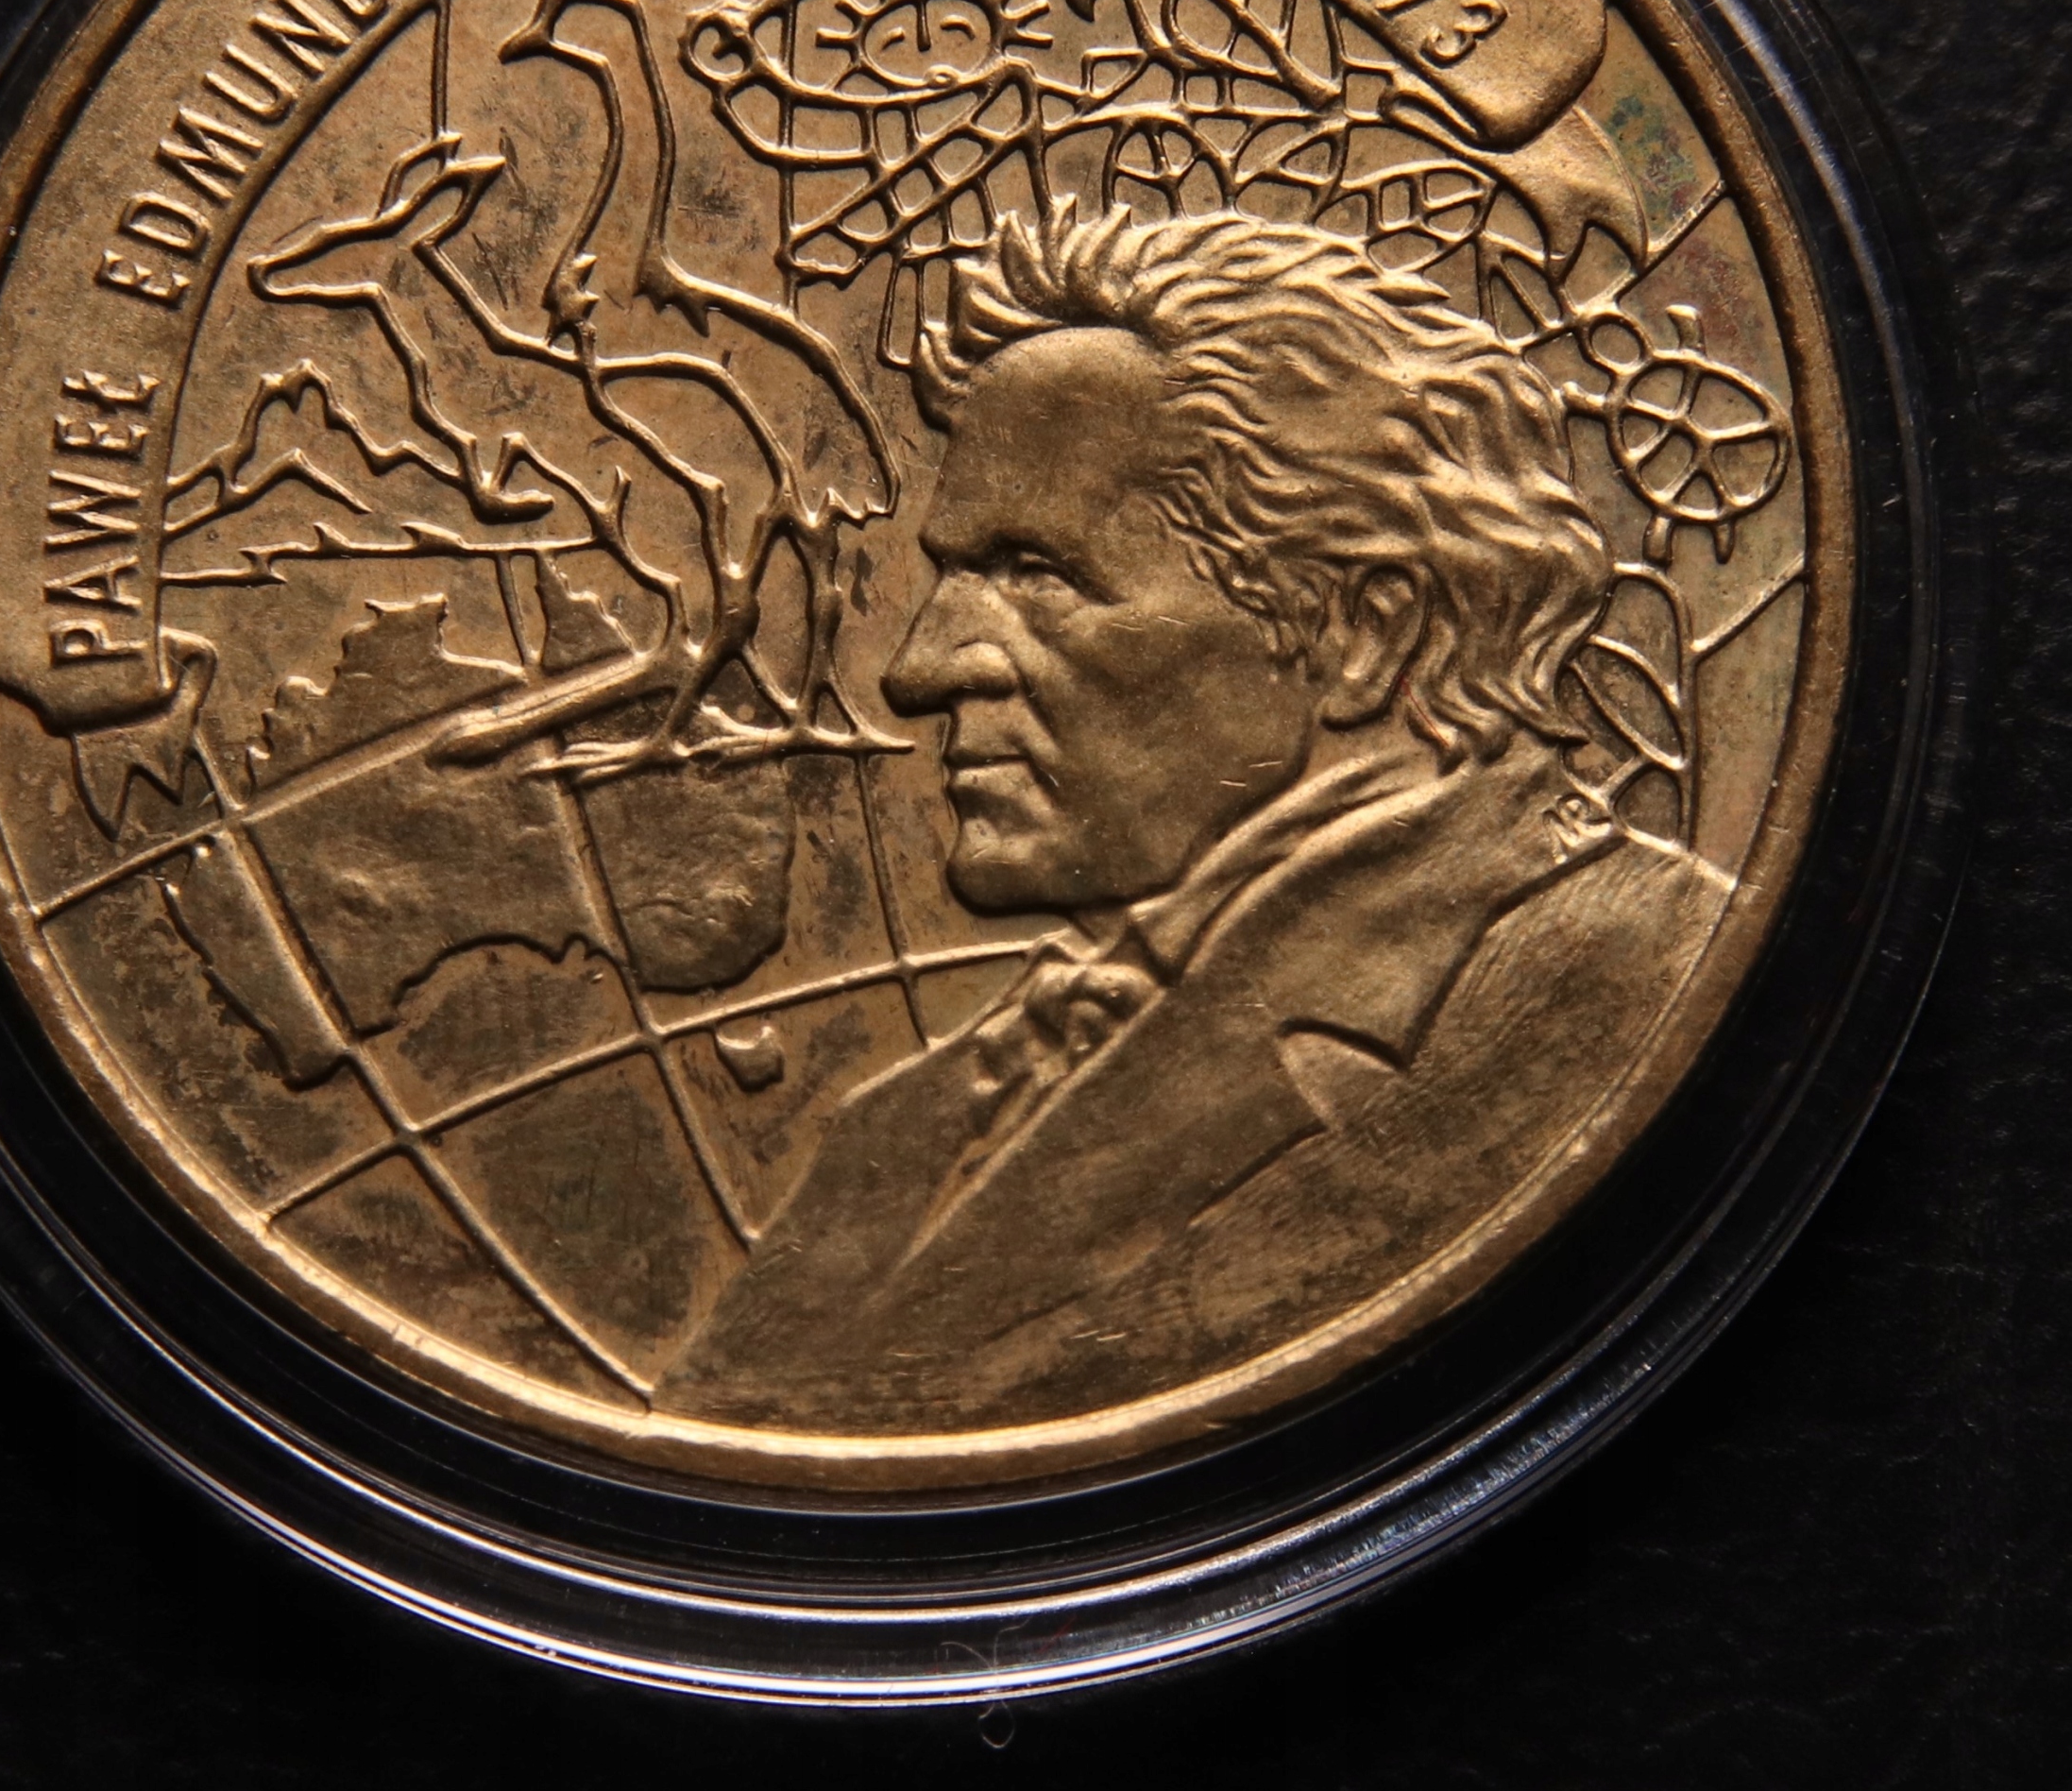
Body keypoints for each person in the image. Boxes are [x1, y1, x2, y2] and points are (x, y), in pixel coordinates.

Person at [655, 198, 1731, 1433]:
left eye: (1037, 574)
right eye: (955, 575)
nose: (919, 667)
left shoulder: (1639, 993)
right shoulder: (903, 1125)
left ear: (1362, 631)